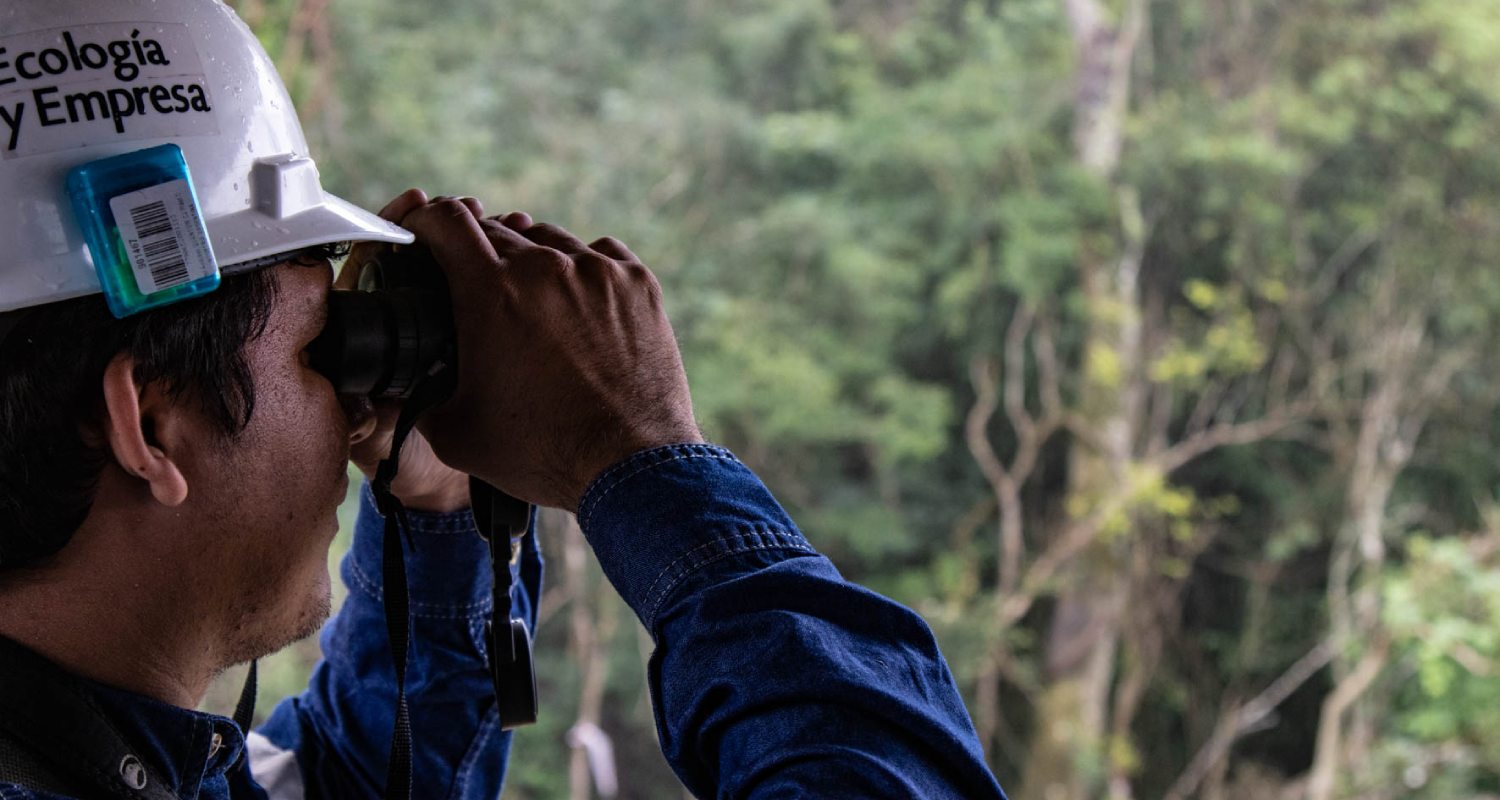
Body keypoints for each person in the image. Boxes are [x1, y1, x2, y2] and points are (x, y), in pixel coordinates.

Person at [0, 1, 1007, 797]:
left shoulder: (100, 751)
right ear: (156, 420)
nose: (354, 401)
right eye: (324, 348)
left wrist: (434, 507)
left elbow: (349, 778)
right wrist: (645, 458)